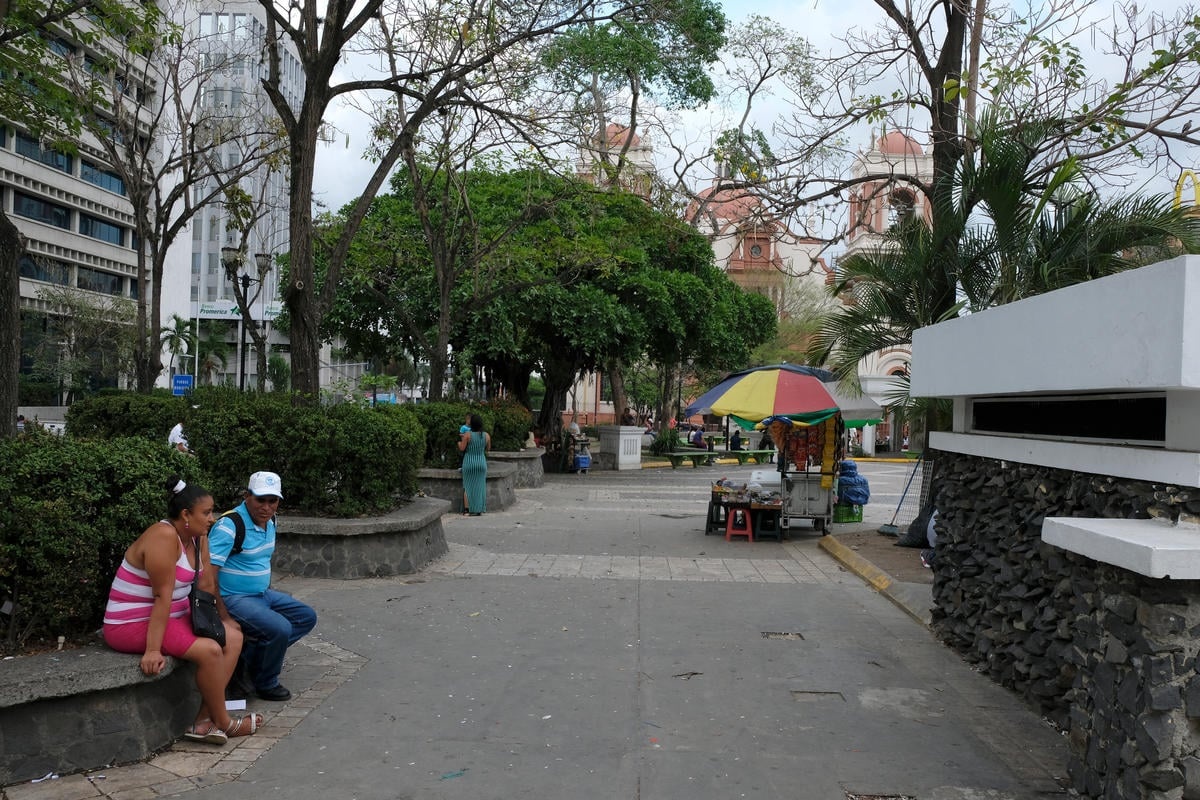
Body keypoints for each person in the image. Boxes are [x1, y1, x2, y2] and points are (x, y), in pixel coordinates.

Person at [102, 476, 260, 744]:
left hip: (173, 617)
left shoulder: (197, 538)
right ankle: (224, 722)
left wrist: (223, 619)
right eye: (206, 513)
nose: (212, 518)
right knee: (210, 651)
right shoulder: (163, 536)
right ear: (186, 514)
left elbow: (208, 583)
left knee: (232, 637)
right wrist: (152, 650)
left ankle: (202, 722)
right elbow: (162, 596)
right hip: (131, 623)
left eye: (212, 511)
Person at [210, 472, 317, 702]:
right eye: (261, 500)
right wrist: (223, 615)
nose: (267, 507)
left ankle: (249, 661)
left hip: (262, 594)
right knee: (279, 628)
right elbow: (208, 575)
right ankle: (266, 682)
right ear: (247, 496)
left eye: (273, 501)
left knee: (306, 617)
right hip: (234, 598)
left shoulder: (272, 521)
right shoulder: (229, 526)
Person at [458, 413, 491, 516]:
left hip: (469, 462)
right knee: (480, 486)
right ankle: (479, 509)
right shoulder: (486, 435)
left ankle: (467, 510)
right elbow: (488, 449)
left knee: (467, 486)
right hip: (481, 462)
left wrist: (458, 443)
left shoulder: (467, 435)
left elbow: (462, 448)